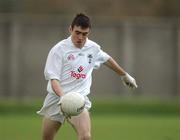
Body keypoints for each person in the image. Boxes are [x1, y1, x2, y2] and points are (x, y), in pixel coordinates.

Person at [37, 13, 137, 140]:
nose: (80, 37)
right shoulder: (58, 50)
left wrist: (124, 75)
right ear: (70, 29)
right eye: (77, 32)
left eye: (84, 34)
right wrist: (63, 98)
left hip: (78, 99)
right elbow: (54, 79)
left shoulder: (93, 48)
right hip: (57, 100)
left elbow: (106, 59)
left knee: (85, 137)